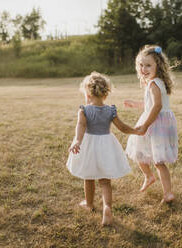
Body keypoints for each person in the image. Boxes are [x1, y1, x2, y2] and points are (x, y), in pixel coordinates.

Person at [67, 71, 138, 226]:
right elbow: (122, 127)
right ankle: (107, 207)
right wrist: (135, 130)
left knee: (89, 177)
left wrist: (77, 141)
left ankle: (89, 204)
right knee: (105, 181)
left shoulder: (84, 110)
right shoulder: (110, 110)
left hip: (89, 145)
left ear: (88, 93)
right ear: (105, 94)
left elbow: (81, 126)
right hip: (106, 145)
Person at [124, 45, 179, 204]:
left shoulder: (153, 83)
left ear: (158, 66)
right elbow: (152, 104)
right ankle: (164, 190)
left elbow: (157, 106)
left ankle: (150, 177)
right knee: (156, 158)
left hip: (154, 122)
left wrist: (146, 125)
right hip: (162, 122)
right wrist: (136, 104)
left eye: (148, 65)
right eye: (141, 65)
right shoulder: (158, 81)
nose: (143, 69)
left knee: (141, 151)